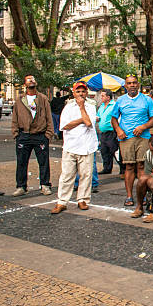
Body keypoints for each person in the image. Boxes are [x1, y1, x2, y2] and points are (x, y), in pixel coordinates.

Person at [110, 75, 153, 206]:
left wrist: (143, 127)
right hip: (126, 138)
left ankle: (142, 196)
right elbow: (113, 119)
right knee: (129, 166)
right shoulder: (120, 100)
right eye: (129, 83)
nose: (132, 85)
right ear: (125, 86)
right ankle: (129, 196)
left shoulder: (147, 100)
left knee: (142, 166)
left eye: (134, 83)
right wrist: (119, 130)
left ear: (138, 85)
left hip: (143, 137)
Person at [50, 81, 98, 214]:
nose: (81, 94)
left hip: (87, 146)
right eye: (78, 91)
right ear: (73, 93)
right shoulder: (68, 107)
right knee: (66, 175)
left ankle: (83, 199)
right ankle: (62, 201)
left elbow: (89, 123)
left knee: (86, 175)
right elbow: (64, 126)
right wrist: (81, 119)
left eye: (83, 91)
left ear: (86, 93)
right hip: (70, 146)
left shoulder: (90, 106)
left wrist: (82, 109)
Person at [11, 75, 54, 197]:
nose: (32, 81)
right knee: (21, 162)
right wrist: (15, 133)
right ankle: (21, 186)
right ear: (25, 84)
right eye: (29, 79)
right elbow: (15, 117)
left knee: (43, 161)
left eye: (34, 79)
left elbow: (49, 117)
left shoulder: (43, 98)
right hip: (23, 135)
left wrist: (48, 134)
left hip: (40, 135)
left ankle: (45, 185)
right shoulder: (20, 99)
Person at [97, 89, 118, 174]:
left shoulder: (114, 105)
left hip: (111, 132)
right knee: (104, 150)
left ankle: (122, 169)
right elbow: (98, 115)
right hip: (103, 132)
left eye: (103, 96)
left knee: (113, 150)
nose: (101, 97)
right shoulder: (102, 106)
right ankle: (107, 168)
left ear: (108, 97)